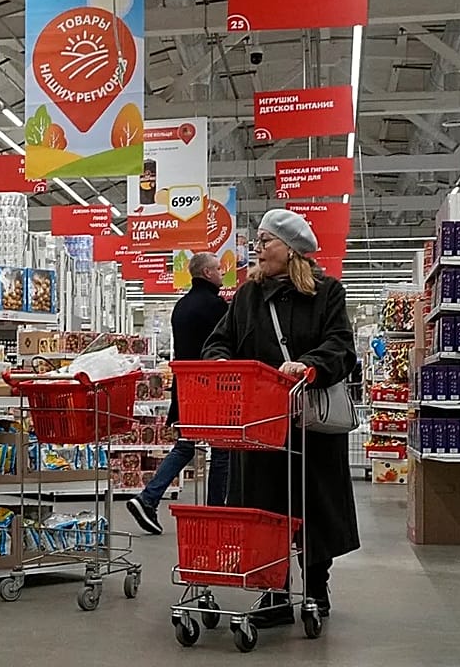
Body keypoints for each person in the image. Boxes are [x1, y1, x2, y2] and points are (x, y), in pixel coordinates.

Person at [202, 209, 359, 623]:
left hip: (311, 424)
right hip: (260, 426)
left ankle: (315, 589)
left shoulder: (327, 292)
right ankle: (272, 594)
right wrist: (220, 362)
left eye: (266, 241)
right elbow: (221, 340)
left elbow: (342, 346)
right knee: (265, 506)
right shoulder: (248, 296)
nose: (258, 249)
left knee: (313, 504)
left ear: (290, 250)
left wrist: (308, 365)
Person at [125, 252, 230, 534]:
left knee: (186, 446)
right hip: (214, 388)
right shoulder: (217, 306)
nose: (222, 273)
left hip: (186, 390)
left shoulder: (181, 306)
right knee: (223, 450)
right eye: (219, 269)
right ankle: (215, 515)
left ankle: (147, 498)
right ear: (207, 273)